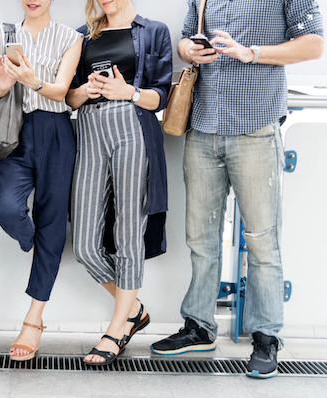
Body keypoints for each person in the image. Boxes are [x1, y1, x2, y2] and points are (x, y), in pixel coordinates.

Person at [151, 0, 324, 379]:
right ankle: (200, 327)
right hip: (203, 126)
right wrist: (188, 49)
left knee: (262, 240)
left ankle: (266, 336)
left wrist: (253, 53)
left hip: (256, 128)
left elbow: (314, 44)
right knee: (200, 238)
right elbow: (183, 41)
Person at [66, 0, 172, 365]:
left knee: (129, 232)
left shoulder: (153, 31)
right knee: (84, 245)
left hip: (133, 131)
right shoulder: (82, 36)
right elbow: (69, 94)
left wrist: (128, 92)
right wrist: (86, 90)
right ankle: (134, 308)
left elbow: (162, 95)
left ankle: (116, 330)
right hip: (91, 131)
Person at [0, 0, 82, 361]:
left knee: (53, 219)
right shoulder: (3, 34)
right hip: (14, 130)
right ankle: (41, 244)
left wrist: (32, 80)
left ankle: (33, 319)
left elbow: (61, 93)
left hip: (56, 130)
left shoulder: (70, 37)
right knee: (9, 211)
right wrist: (1, 84)